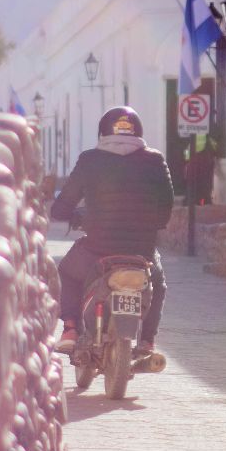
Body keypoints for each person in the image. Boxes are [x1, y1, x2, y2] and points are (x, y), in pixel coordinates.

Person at [50, 107, 176, 367]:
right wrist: (149, 224)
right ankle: (147, 340)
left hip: (97, 249)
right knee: (158, 284)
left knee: (67, 272)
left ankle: (71, 329)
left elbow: (61, 207)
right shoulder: (155, 160)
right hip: (142, 252)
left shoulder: (90, 160)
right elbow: (166, 208)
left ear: (103, 132)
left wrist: (70, 215)